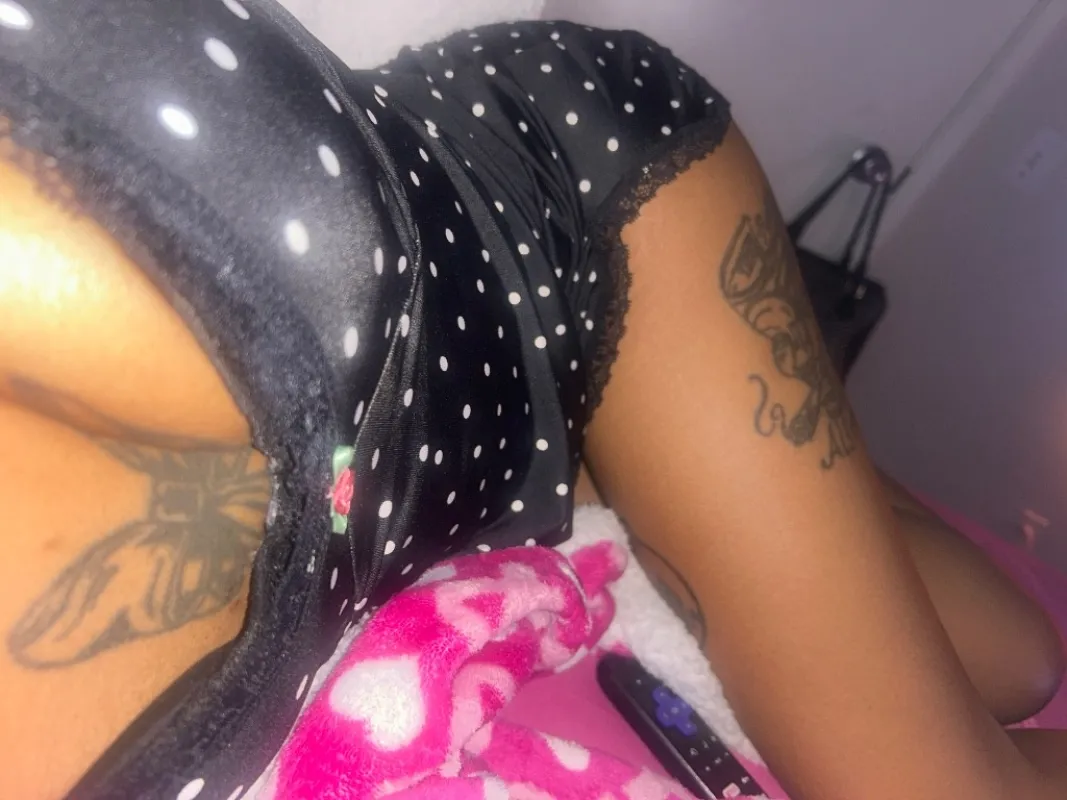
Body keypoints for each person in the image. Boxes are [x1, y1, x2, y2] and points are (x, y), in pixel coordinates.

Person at [0, 1, 1063, 797]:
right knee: (1015, 656)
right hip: (474, 425)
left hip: (564, 215)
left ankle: (697, 420)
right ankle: (689, 462)